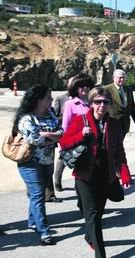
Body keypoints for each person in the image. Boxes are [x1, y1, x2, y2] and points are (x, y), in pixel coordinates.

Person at [59, 87, 132, 258]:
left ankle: (89, 235)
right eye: (97, 102)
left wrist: (124, 172)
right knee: (92, 215)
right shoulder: (80, 120)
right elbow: (64, 142)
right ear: (91, 103)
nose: (101, 105)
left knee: (97, 214)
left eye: (105, 102)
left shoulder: (113, 124)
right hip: (85, 175)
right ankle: (100, 254)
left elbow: (119, 151)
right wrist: (80, 135)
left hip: (104, 175)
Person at [13, 84, 63, 245]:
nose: (51, 100)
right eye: (48, 97)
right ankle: (44, 231)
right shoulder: (26, 119)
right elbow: (35, 139)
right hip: (30, 163)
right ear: (38, 100)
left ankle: (32, 222)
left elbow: (62, 132)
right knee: (38, 195)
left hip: (47, 160)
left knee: (38, 193)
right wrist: (52, 136)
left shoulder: (50, 114)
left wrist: (47, 134)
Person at [54, 74, 94, 191]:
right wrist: (67, 144)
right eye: (81, 86)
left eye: (87, 86)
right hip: (77, 142)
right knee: (75, 170)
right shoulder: (70, 104)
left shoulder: (94, 102)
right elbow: (65, 127)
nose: (85, 88)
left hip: (92, 143)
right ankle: (58, 181)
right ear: (75, 88)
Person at [104, 69, 135, 139]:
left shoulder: (128, 90)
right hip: (112, 124)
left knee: (120, 146)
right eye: (120, 77)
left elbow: (132, 108)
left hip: (125, 124)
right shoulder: (106, 89)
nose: (122, 80)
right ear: (113, 78)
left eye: (123, 77)